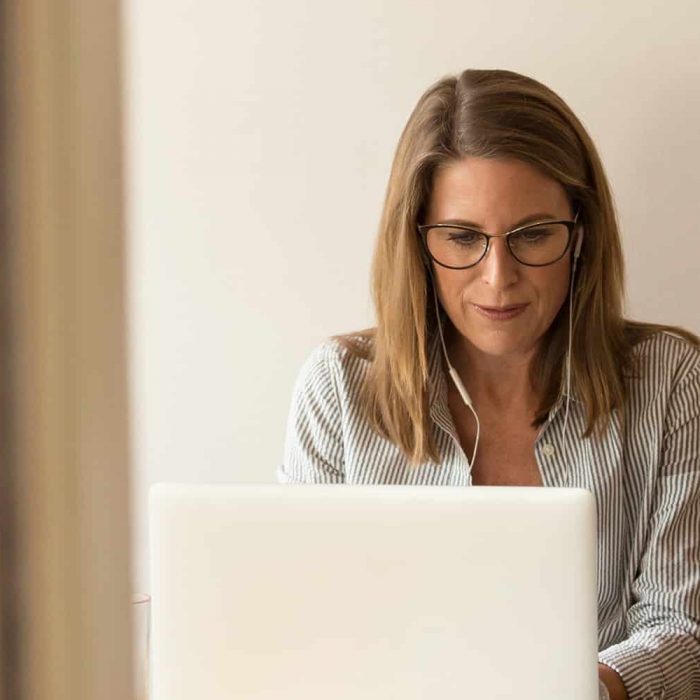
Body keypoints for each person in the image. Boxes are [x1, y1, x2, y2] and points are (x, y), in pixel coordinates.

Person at [277, 68, 700, 700]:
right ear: (417, 242)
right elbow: (300, 623)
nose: (498, 279)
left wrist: (587, 689)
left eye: (532, 235)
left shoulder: (670, 381)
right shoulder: (339, 388)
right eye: (462, 237)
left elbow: (682, 626)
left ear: (579, 234)